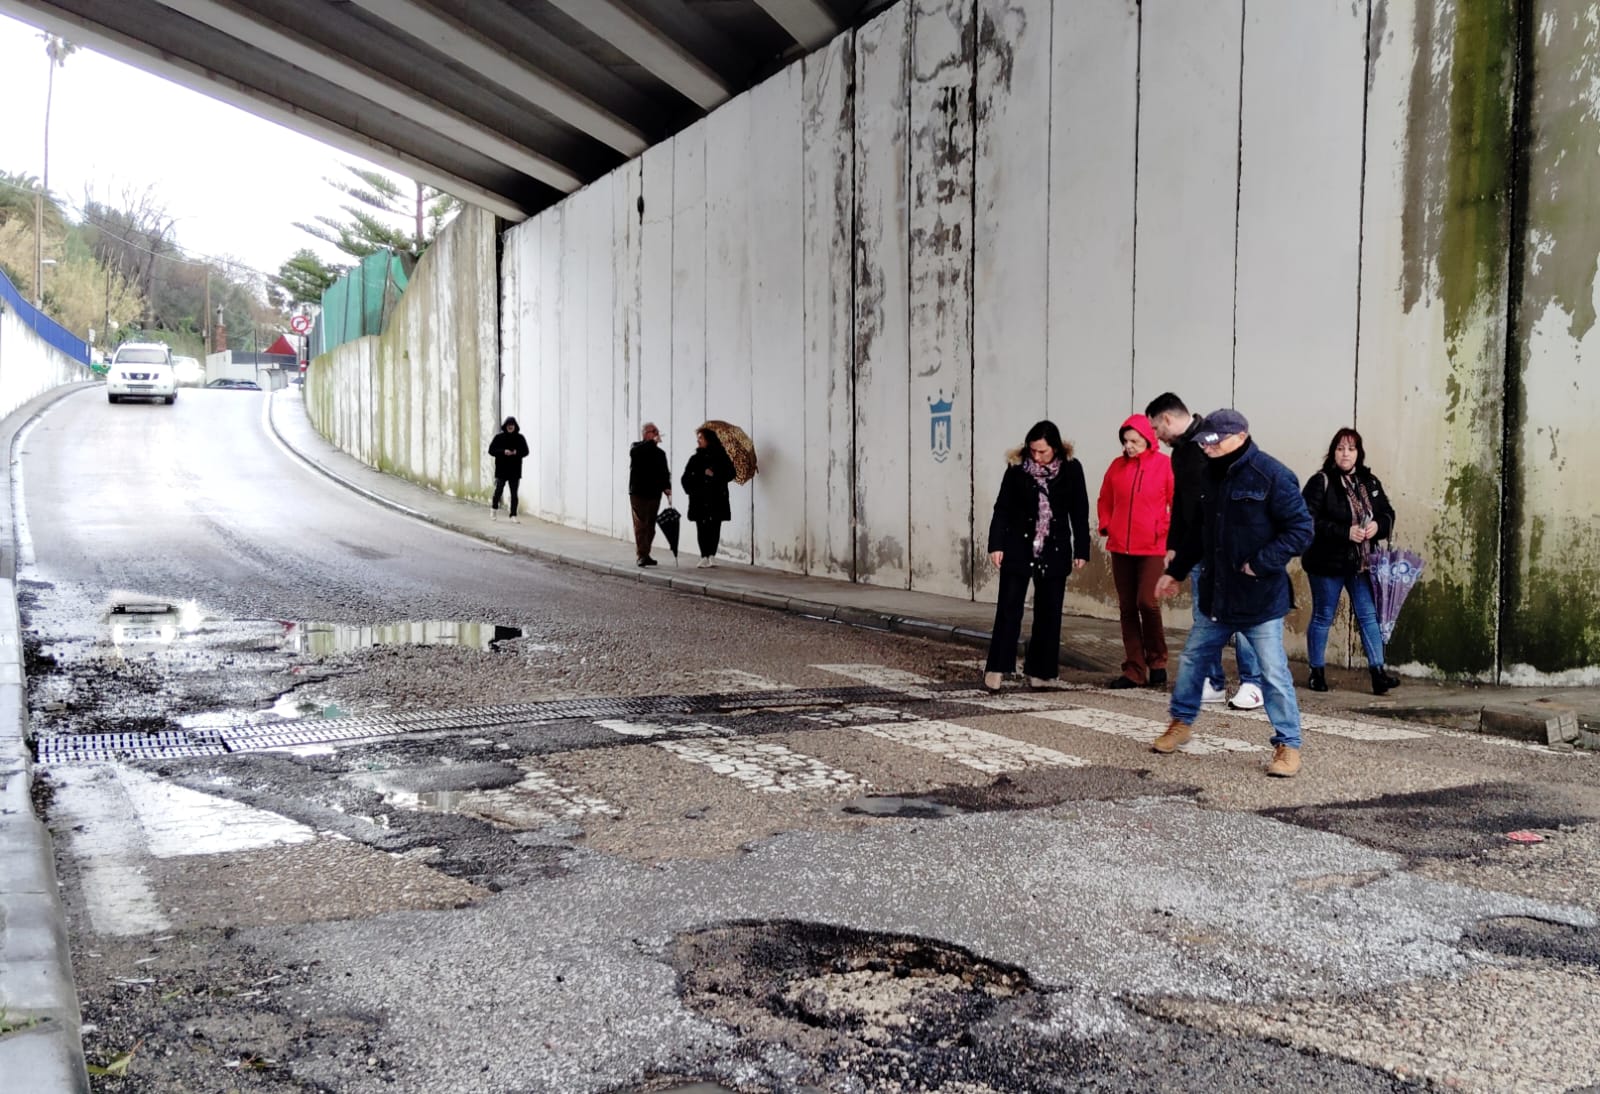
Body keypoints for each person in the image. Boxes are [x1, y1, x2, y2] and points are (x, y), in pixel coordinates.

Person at [1154, 409, 1313, 777]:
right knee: (1192, 660)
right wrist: (1175, 572)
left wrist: (1261, 562)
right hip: (1217, 597)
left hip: (1260, 598)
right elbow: (1198, 534)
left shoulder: (1272, 475)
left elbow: (1301, 530)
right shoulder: (1209, 475)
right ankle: (1181, 722)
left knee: (1273, 672)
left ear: (1240, 436)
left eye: (1214, 441)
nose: (1207, 447)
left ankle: (1288, 745)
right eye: (1204, 441)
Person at [1145, 393, 1266, 710]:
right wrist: (1175, 545)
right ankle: (1212, 681)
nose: (1156, 436)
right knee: (1205, 615)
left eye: (1156, 428)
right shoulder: (1180, 453)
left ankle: (1253, 682)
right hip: (1199, 548)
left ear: (1167, 418)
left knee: (1242, 617)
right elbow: (1183, 503)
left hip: (1231, 546)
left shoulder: (1209, 444)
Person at [983, 420, 1091, 691]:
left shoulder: (1071, 469)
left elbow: (1079, 511)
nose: (1037, 456)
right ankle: (997, 667)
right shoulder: (1017, 469)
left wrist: (1082, 548)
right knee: (1009, 608)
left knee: (1049, 612)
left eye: (1042, 451)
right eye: (1033, 451)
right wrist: (996, 544)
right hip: (1018, 546)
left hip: (1054, 548)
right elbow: (1002, 509)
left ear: (1056, 448)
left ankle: (1041, 671)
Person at [1301, 428, 1402, 695]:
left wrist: (1378, 526)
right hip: (1327, 563)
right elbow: (1307, 520)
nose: (1346, 454)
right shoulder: (1321, 481)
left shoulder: (1369, 482)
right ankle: (1316, 672)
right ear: (1333, 452)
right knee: (1323, 615)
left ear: (1359, 453)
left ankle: (1378, 673)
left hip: (1362, 564)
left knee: (1368, 615)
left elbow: (1388, 514)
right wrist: (1344, 532)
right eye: (1340, 448)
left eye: (1351, 449)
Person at [1096, 414, 1174, 688]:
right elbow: (1105, 499)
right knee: (1127, 607)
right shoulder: (1116, 467)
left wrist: (1164, 528)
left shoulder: (1164, 465)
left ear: (1148, 439)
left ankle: (1158, 659)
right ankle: (1134, 669)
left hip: (1152, 546)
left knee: (1147, 602)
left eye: (1134, 441)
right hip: (1121, 546)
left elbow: (1176, 502)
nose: (1128, 446)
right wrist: (1108, 524)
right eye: (1125, 441)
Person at [682, 427, 735, 568]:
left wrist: (715, 475)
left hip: (717, 498)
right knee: (702, 527)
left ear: (709, 440)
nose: (698, 440)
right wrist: (693, 489)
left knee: (715, 526)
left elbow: (731, 474)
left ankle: (712, 555)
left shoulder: (722, 457)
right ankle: (704, 555)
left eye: (701, 438)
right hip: (699, 499)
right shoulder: (695, 459)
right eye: (698, 438)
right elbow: (685, 479)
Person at [627, 422, 672, 567]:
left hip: (654, 493)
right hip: (639, 493)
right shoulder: (636, 447)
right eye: (654, 431)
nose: (657, 433)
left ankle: (646, 554)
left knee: (650, 526)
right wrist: (652, 443)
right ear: (646, 434)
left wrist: (667, 487)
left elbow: (664, 472)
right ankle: (641, 555)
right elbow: (637, 453)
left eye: (657, 431)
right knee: (641, 524)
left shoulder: (660, 454)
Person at [488, 416, 529, 523]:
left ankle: (513, 514)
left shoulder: (520, 438)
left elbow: (526, 451)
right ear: (505, 426)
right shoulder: (499, 437)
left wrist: (516, 452)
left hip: (515, 470)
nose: (510, 427)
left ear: (515, 426)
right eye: (508, 425)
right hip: (502, 469)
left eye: (512, 425)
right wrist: (503, 452)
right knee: (498, 490)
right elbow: (491, 450)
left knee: (514, 494)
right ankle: (493, 509)